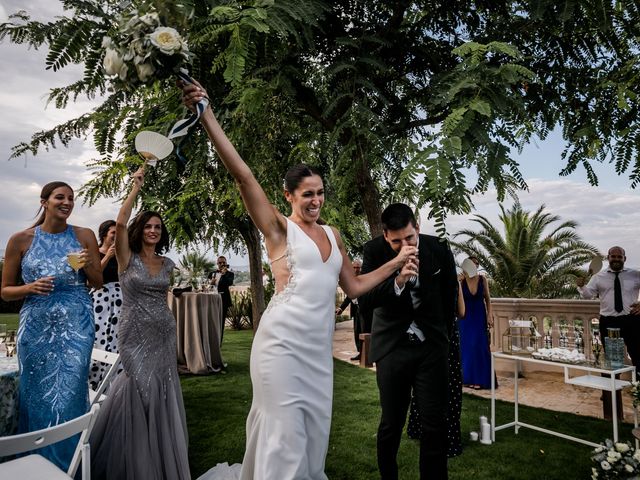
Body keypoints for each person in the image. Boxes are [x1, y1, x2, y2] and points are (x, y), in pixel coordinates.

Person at [180, 79, 416, 480]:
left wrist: (397, 263)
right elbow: (243, 177)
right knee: (283, 435)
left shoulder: (334, 234)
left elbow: (355, 288)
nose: (315, 201)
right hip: (280, 348)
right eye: (307, 194)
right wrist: (208, 116)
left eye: (320, 193)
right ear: (289, 195)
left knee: (310, 437)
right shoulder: (278, 229)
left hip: (315, 354)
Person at [90, 168, 190, 480]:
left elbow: (164, 297)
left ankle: (160, 456)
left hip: (163, 331)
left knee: (162, 388)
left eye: (158, 227)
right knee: (137, 387)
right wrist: (135, 187)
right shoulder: (125, 258)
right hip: (133, 332)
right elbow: (119, 223)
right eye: (148, 225)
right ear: (139, 229)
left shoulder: (168, 263)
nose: (153, 230)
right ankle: (131, 458)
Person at [1, 181, 102, 470]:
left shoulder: (84, 235)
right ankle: (33, 467)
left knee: (70, 398)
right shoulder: (20, 240)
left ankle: (69, 468)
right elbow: (5, 290)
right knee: (34, 399)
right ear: (45, 201)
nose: (67, 202)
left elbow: (97, 281)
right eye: (60, 197)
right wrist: (29, 287)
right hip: (35, 328)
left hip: (76, 328)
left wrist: (85, 266)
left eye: (71, 198)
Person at [359, 203, 458, 480]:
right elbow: (365, 301)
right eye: (396, 241)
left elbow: (449, 295)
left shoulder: (438, 247)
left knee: (434, 424)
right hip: (393, 349)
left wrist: (441, 339)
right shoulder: (374, 252)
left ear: (418, 228)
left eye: (410, 238)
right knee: (391, 423)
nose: (405, 246)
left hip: (431, 350)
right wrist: (399, 280)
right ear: (385, 235)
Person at [407, 281, 465, 458]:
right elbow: (461, 312)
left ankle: (418, 428)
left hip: (431, 336)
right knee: (451, 388)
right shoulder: (454, 281)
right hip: (449, 336)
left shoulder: (428, 278)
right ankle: (449, 438)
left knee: (425, 386)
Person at [577, 246, 640, 366]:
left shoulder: (635, 274)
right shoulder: (598, 277)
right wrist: (582, 286)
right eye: (613, 256)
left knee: (638, 353)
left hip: (632, 319)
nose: (616, 259)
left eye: (619, 257)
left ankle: (637, 383)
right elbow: (588, 295)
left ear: (624, 258)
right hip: (609, 322)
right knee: (612, 358)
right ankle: (612, 384)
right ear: (608, 258)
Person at [89, 219, 124, 390]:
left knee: (118, 340)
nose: (116, 237)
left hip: (120, 302)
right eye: (113, 233)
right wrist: (108, 255)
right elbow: (91, 279)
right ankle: (95, 382)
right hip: (101, 301)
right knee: (100, 338)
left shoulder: (121, 255)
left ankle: (114, 383)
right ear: (104, 235)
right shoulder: (94, 252)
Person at [458, 256, 494, 390]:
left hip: (479, 316)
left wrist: (489, 315)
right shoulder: (460, 281)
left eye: (478, 264)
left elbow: (488, 299)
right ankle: (466, 378)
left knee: (479, 346)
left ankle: (480, 379)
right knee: (466, 347)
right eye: (474, 263)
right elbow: (454, 298)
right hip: (465, 316)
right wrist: (457, 282)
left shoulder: (482, 279)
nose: (476, 266)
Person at [335, 259, 367, 361]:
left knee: (365, 332)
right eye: (354, 267)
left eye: (358, 267)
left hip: (365, 310)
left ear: (361, 268)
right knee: (357, 332)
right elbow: (349, 296)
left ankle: (367, 355)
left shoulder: (365, 278)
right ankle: (360, 353)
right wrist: (341, 308)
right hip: (356, 310)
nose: (356, 269)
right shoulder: (351, 279)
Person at [209, 255, 234, 342]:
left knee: (221, 321)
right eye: (220, 263)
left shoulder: (230, 274)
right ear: (217, 264)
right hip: (212, 301)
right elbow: (208, 287)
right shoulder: (212, 274)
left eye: (224, 262)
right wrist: (211, 283)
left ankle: (219, 341)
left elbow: (229, 283)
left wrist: (224, 274)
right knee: (212, 321)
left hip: (224, 300)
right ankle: (212, 340)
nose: (222, 264)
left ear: (226, 263)